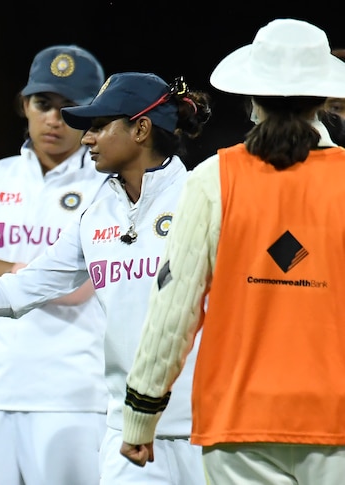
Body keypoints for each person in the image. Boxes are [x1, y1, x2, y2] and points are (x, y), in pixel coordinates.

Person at [0, 72, 214, 485]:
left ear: (141, 128)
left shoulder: (204, 195)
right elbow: (24, 288)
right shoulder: (98, 212)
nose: (86, 138)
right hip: (127, 432)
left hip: (207, 429)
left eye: (99, 126)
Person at [120, 18, 345, 485]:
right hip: (335, 418)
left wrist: (141, 413)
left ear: (252, 97)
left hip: (235, 417)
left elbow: (173, 304)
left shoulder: (211, 179)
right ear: (325, 99)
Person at [0, 44, 109, 485]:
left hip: (72, 390)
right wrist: (38, 272)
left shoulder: (107, 185)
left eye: (70, 108)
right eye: (44, 104)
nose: (54, 119)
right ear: (25, 105)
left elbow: (82, 285)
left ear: (92, 114)